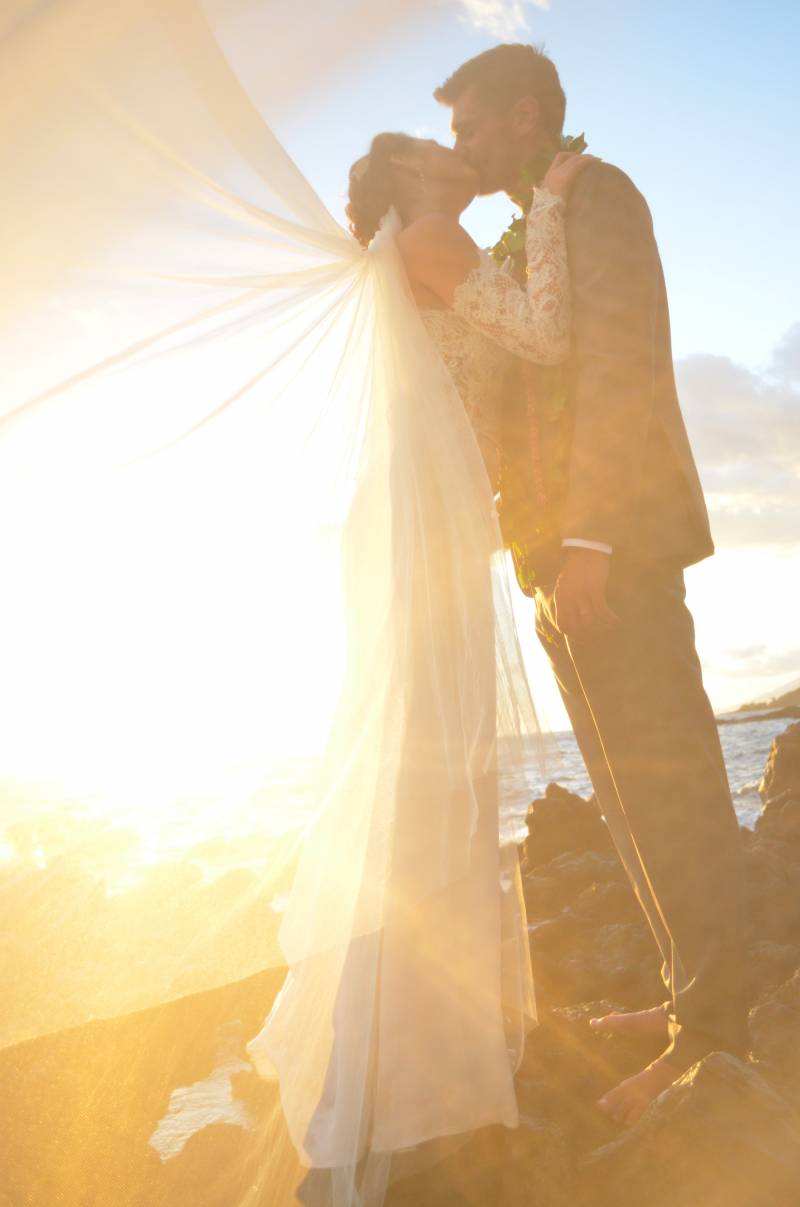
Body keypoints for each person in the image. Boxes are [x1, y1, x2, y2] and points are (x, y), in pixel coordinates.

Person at [245, 137, 594, 1206]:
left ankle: (392, 1074)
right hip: (424, 516)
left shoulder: (403, 253)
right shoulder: (435, 238)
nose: (452, 152)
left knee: (411, 766)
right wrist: (547, 205)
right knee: (432, 774)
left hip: (402, 511)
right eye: (427, 148)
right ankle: (402, 1083)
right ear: (409, 186)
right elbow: (543, 335)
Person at [434, 42, 748, 1126]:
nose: (458, 147)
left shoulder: (600, 194)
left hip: (605, 549)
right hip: (546, 556)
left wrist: (594, 542)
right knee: (622, 796)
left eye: (471, 126)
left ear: (526, 117)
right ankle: (682, 1001)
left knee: (674, 791)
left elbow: (615, 359)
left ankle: (712, 1037)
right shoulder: (533, 228)